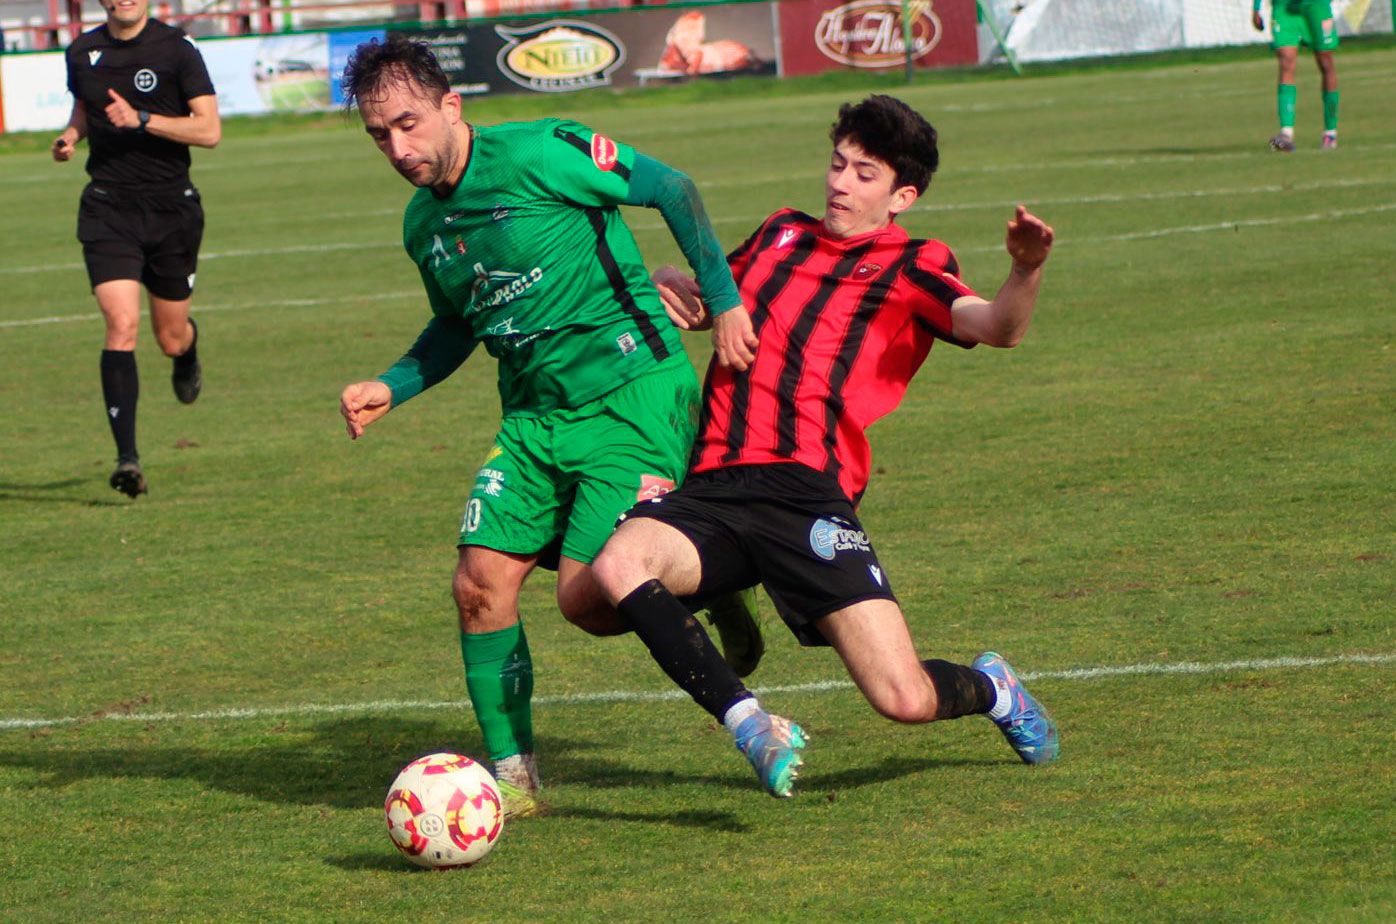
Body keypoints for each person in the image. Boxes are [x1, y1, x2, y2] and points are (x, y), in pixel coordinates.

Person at [336, 34, 761, 818]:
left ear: (450, 106)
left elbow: (671, 186)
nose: (397, 148)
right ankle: (513, 777)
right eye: (378, 135)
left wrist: (723, 298)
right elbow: (456, 325)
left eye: (407, 124)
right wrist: (392, 386)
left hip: (632, 394)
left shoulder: (545, 149)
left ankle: (706, 570)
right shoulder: (420, 226)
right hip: (533, 419)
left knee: (588, 601)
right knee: (477, 585)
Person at [592, 95, 1060, 798]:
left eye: (864, 173)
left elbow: (996, 327)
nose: (840, 182)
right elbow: (711, 299)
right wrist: (669, 286)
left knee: (902, 697)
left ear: (903, 194)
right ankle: (750, 723)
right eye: (838, 164)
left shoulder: (913, 262)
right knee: (616, 565)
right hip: (714, 485)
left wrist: (1024, 271)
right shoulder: (779, 233)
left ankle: (994, 691)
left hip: (803, 494)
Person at [53, 0, 220, 498]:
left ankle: (186, 352)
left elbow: (209, 130)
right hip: (107, 208)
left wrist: (143, 119)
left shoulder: (177, 49)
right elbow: (85, 107)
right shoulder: (82, 51)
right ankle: (128, 460)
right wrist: (69, 135)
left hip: (172, 211)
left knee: (169, 338)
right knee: (120, 326)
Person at [1252, 0, 1340, 151]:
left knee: (1325, 63)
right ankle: (1286, 133)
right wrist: (1256, 8)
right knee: (1286, 61)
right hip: (1283, 6)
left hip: (1315, 5)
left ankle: (1330, 133)